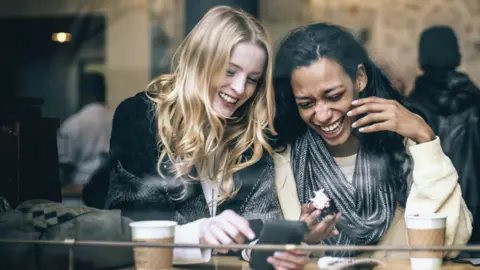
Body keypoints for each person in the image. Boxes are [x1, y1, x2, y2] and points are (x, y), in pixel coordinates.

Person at [105, 6, 309, 268]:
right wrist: (199, 234)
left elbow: (259, 223)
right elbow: (132, 229)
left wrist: (266, 249)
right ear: (201, 60)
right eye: (230, 71)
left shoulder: (252, 132)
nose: (239, 89)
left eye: (252, 79)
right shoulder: (140, 117)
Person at [272, 22, 472, 259]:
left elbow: (451, 240)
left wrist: (424, 138)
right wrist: (301, 241)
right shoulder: (285, 160)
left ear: (359, 78)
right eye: (306, 104)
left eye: (334, 96)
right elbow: (273, 255)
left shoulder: (401, 144)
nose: (323, 114)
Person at [408, 25, 480, 247]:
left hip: (430, 219)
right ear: (457, 54)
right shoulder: (476, 103)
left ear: (421, 57)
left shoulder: (409, 110)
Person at [57, 72, 112, 205]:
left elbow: (64, 164)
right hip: (109, 192)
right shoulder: (118, 119)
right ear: (104, 91)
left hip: (77, 196)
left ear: (81, 93)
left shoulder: (73, 123)